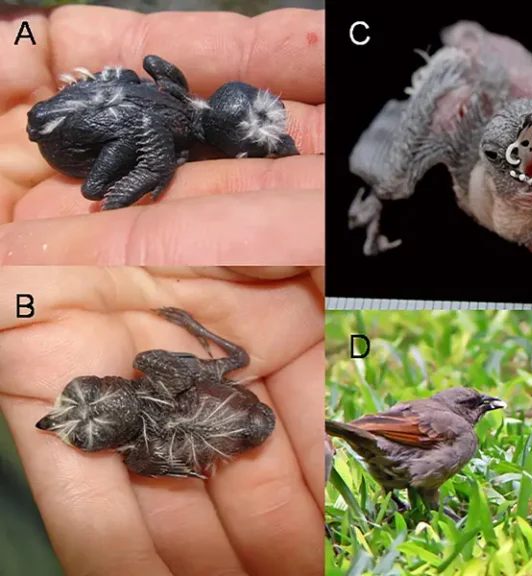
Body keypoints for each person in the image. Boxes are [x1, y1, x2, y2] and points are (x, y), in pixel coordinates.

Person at [0, 265, 325, 576]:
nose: (55, 419)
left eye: (86, 391)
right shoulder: (151, 385)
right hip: (220, 416)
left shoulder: (141, 456)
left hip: (222, 421)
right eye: (85, 435)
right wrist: (193, 329)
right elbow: (187, 468)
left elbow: (188, 471)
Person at [0, 5, 324, 265]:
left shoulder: (178, 96)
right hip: (67, 145)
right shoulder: (178, 112)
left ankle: (136, 162)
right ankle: (129, 172)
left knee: (139, 106)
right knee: (142, 118)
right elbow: (151, 69)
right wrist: (158, 163)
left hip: (69, 121)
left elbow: (153, 63)